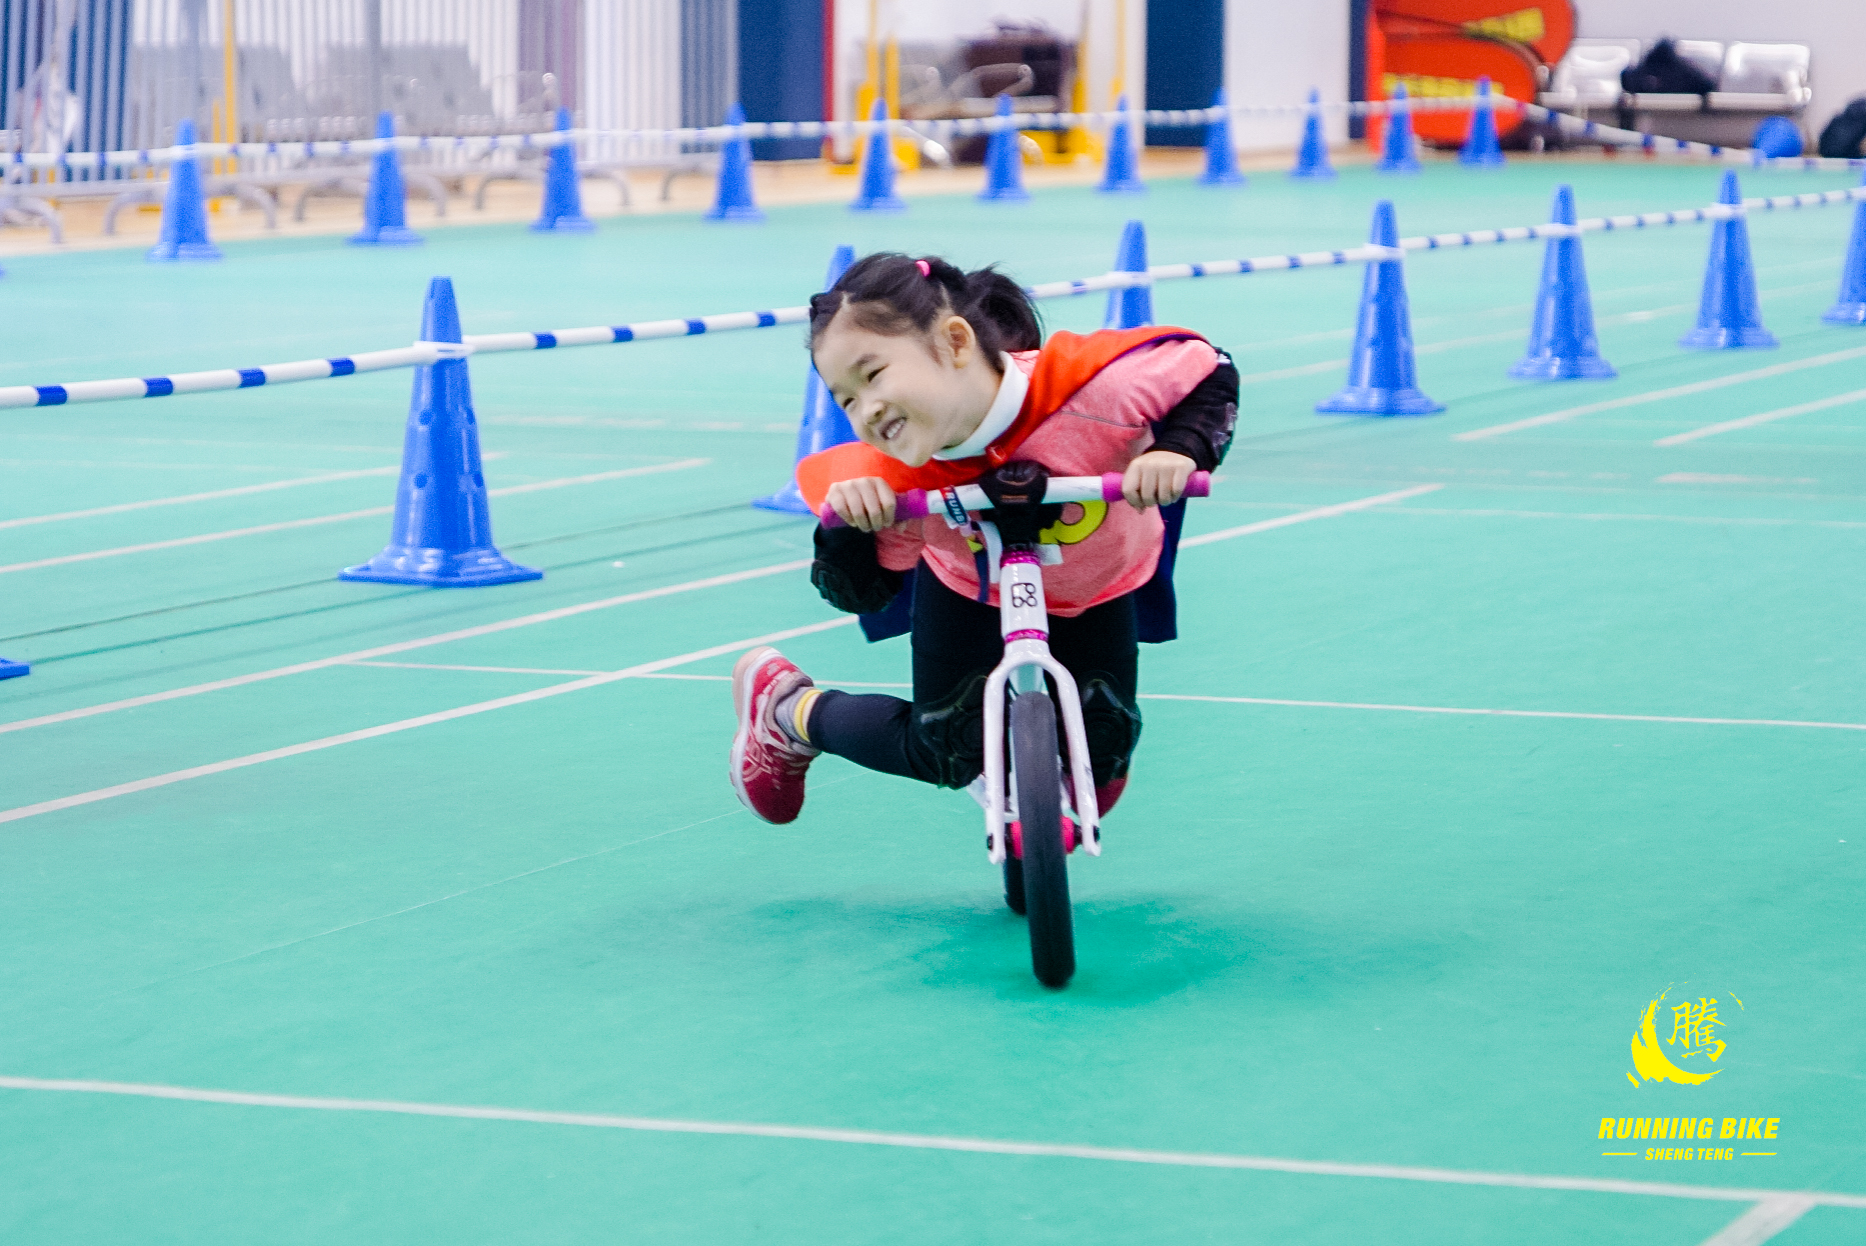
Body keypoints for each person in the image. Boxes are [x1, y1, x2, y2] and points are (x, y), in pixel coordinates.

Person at [729, 253, 1238, 826]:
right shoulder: (893, 476)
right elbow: (861, 593)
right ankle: (787, 713)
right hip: (970, 591)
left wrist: (1180, 450)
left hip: (1098, 585)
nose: (866, 409)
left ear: (954, 342)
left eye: (873, 376)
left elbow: (1209, 370)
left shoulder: (1093, 389)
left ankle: (1063, 793)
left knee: (1102, 749)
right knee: (948, 744)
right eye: (845, 399)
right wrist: (848, 529)